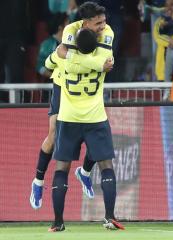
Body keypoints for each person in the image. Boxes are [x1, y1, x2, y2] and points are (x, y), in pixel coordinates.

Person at [48, 2, 123, 232]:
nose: (104, 26)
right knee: (106, 165)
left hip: (69, 116)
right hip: (94, 116)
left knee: (62, 168)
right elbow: (104, 63)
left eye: (103, 21)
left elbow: (55, 57)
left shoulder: (70, 45)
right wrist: (98, 64)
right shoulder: (92, 45)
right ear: (86, 23)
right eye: (98, 23)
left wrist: (66, 57)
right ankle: (108, 217)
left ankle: (58, 223)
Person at [29, 15, 97, 210]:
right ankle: (38, 181)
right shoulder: (60, 46)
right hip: (61, 88)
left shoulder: (92, 39)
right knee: (53, 133)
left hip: (84, 90)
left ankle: (84, 172)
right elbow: (47, 65)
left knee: (97, 131)